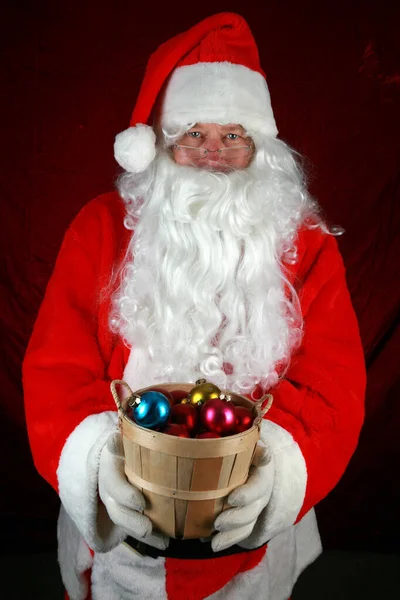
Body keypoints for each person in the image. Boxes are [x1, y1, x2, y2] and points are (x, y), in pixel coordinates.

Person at [22, 12, 366, 600]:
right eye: (193, 134)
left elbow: (333, 384)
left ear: (261, 148)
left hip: (252, 541)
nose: (213, 153)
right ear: (161, 143)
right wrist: (97, 465)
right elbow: (57, 369)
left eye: (234, 134)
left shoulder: (303, 244)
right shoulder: (100, 229)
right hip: (123, 535)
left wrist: (280, 474)